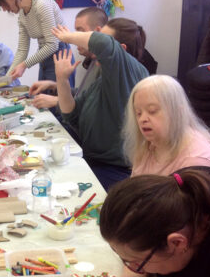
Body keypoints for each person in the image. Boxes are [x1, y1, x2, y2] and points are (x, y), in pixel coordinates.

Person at [51, 21, 149, 189]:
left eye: (101, 35)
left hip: (114, 170)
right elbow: (70, 113)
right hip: (92, 160)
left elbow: (103, 43)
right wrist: (62, 79)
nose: (94, 46)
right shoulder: (104, 78)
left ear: (122, 50)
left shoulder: (132, 73)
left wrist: (66, 37)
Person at [123, 75, 210, 176]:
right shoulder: (148, 146)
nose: (142, 119)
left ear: (178, 112)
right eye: (138, 113)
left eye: (152, 111)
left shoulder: (197, 162)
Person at [0, 0, 74, 86]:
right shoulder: (22, 15)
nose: (4, 9)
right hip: (45, 58)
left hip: (61, 57)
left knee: (58, 102)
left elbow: (53, 44)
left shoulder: (42, 5)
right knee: (43, 101)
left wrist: (24, 65)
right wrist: (4, 80)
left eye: (4, 4)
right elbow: (22, 50)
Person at [29, 6, 108, 110]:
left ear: (98, 32)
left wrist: (57, 101)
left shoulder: (108, 65)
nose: (74, 37)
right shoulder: (93, 61)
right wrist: (53, 85)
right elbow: (83, 93)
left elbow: (97, 105)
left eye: (80, 31)